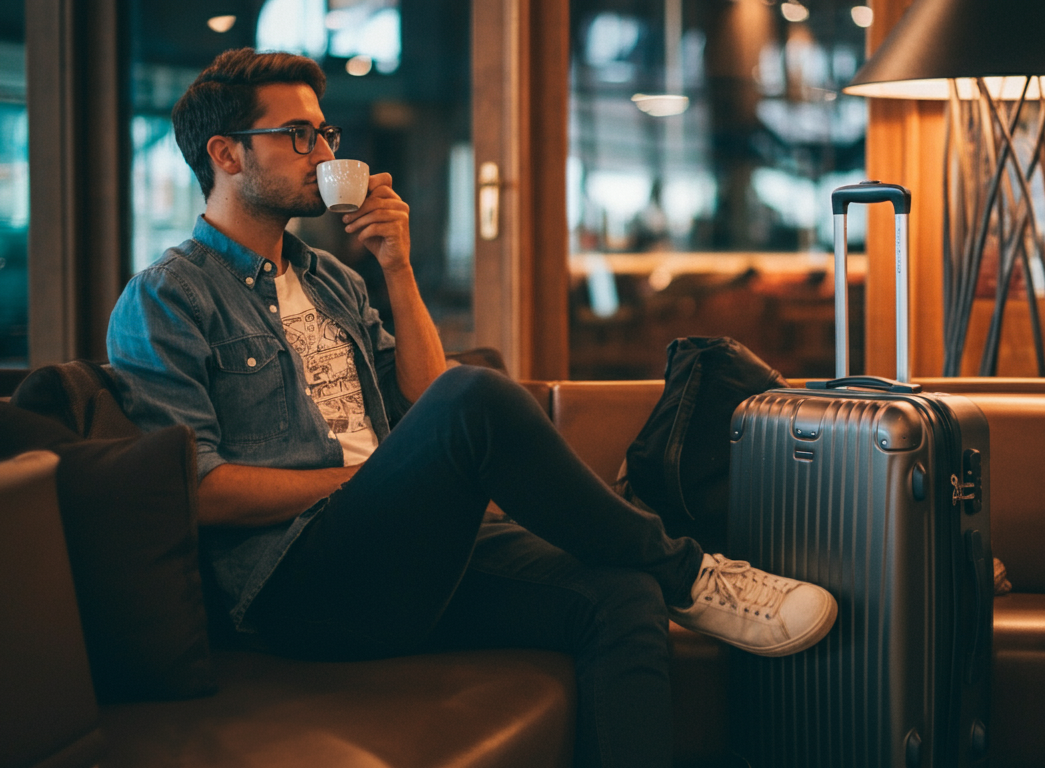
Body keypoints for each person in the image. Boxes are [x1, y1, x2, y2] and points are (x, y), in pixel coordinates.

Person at [107, 48, 837, 768]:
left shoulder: (332, 279)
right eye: (298, 134)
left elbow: (425, 396)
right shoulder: (169, 296)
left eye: (326, 133)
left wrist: (397, 265)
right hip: (296, 585)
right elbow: (199, 491)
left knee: (620, 596)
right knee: (477, 392)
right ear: (227, 154)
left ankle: (663, 578)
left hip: (401, 552)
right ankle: (691, 574)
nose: (322, 150)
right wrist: (375, 480)